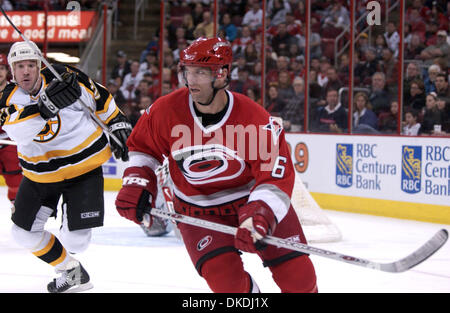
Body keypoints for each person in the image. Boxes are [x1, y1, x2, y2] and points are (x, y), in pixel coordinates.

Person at [115, 37, 318, 293]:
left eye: (200, 72)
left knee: (300, 279)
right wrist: (136, 182)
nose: (191, 80)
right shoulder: (165, 111)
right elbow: (143, 148)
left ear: (221, 75)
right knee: (228, 285)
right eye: (187, 71)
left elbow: (275, 177)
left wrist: (261, 212)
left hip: (250, 201)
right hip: (198, 210)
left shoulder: (255, 119)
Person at [0, 41, 131, 293]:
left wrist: (117, 123)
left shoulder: (65, 76)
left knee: (77, 241)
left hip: (84, 168)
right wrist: (46, 107)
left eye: (30, 65)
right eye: (19, 67)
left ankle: (69, 233)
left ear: (39, 65)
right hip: (40, 175)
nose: (25, 72)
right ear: (11, 71)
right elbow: (20, 132)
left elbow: (100, 98)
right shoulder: (7, 98)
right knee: (21, 233)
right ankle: (71, 271)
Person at [0, 53, 22, 206]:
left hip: (9, 142)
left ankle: (21, 215)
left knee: (16, 184)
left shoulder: (15, 90)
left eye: (1, 68)